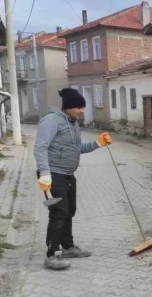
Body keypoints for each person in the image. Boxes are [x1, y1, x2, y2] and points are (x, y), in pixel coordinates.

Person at [34, 88, 112, 270]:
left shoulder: (73, 123)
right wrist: (45, 173)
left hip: (68, 175)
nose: (81, 111)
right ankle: (52, 255)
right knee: (58, 214)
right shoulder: (51, 121)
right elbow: (40, 147)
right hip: (53, 175)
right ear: (68, 106)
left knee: (69, 211)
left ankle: (67, 247)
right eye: (78, 107)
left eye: (82, 107)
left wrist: (97, 144)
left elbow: (77, 148)